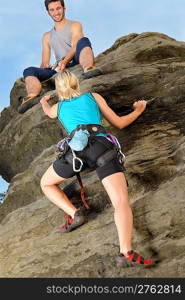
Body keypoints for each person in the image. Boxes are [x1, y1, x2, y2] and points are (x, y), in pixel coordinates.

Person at [40, 70, 153, 267]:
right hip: (102, 147)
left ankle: (75, 214)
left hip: (75, 152)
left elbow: (47, 111)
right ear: (76, 83)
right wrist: (138, 110)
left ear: (59, 89)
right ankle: (125, 252)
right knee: (121, 202)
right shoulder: (93, 96)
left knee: (46, 184)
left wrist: (44, 99)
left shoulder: (57, 107)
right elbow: (118, 122)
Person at [19, 0, 102, 113]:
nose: (56, 12)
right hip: (59, 67)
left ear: (64, 8)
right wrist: (42, 70)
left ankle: (88, 68)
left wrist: (65, 61)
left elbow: (75, 45)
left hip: (75, 60)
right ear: (48, 13)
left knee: (83, 40)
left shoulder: (75, 25)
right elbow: (44, 62)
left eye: (58, 8)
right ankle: (31, 96)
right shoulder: (47, 36)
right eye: (52, 10)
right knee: (28, 70)